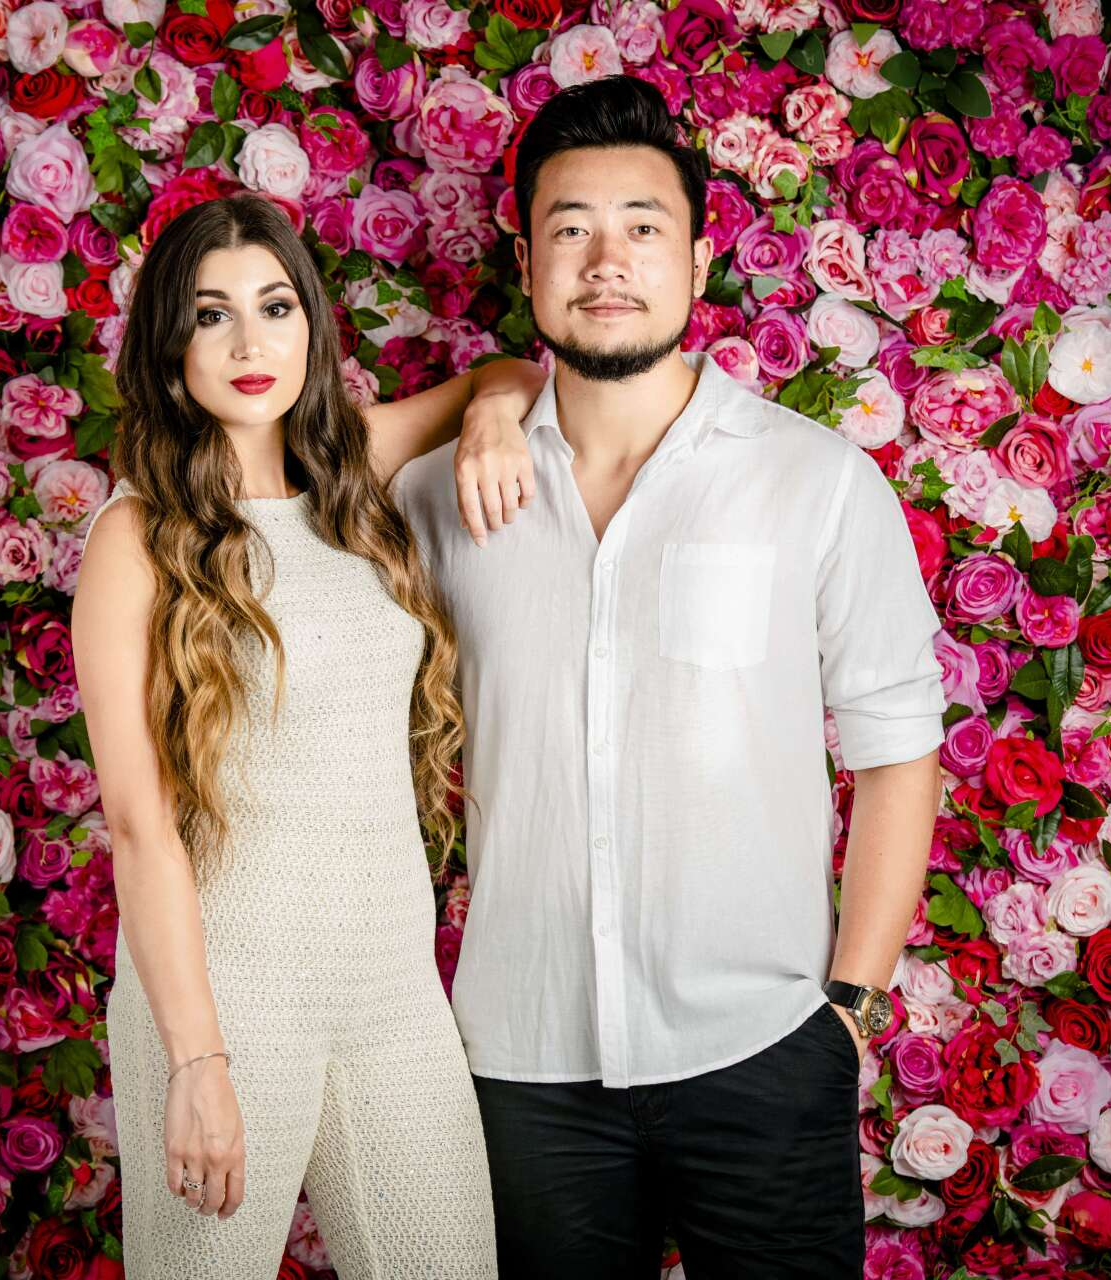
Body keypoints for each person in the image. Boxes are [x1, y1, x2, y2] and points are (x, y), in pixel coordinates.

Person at [390, 75, 947, 1280]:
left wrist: (842, 1010)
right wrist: (487, 394)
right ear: (528, 260)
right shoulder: (436, 496)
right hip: (521, 1063)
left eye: (643, 227)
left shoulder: (814, 481)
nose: (606, 259)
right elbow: (247, 473)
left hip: (761, 1048)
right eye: (569, 227)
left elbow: (898, 753)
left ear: (696, 262)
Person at [72, 192, 544, 1278]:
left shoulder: (350, 476)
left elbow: (509, 374)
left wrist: (486, 416)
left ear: (310, 326)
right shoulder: (135, 536)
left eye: (275, 306)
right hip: (225, 993)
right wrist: (196, 1056)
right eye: (210, 314)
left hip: (390, 994)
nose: (249, 342)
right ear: (167, 343)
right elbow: (140, 828)